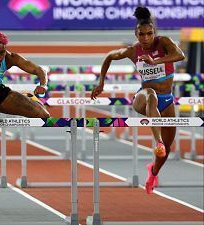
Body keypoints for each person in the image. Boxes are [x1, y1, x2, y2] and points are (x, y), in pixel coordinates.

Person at [90, 6, 185, 194]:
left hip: (167, 101)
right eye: (142, 35)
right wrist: (101, 83)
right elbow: (109, 56)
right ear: (136, 35)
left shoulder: (164, 42)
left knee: (167, 150)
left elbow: (180, 55)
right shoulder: (133, 51)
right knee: (151, 95)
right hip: (143, 98)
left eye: (149, 34)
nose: (146, 38)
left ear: (154, 33)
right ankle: (157, 142)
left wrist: (155, 61)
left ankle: (153, 171)